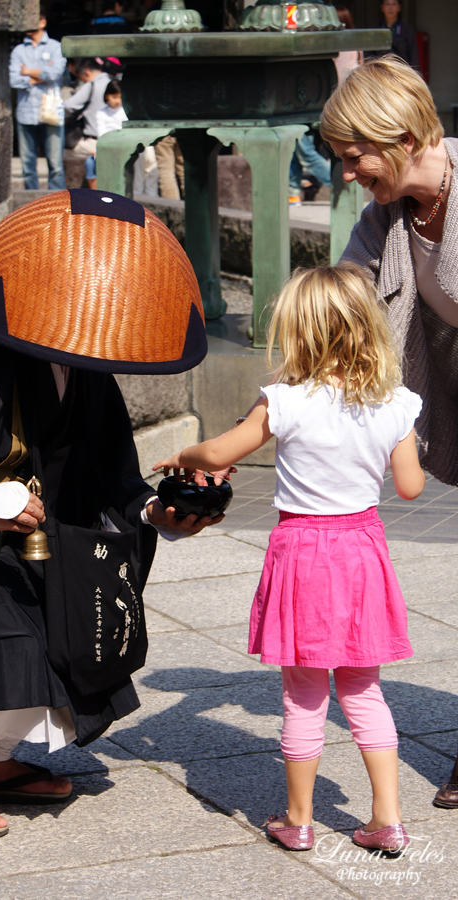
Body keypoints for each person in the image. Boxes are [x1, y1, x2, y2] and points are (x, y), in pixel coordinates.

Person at [0, 190, 216, 840]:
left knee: (73, 633)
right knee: (12, 641)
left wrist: (157, 512)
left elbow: (106, 480)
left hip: (34, 555)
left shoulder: (79, 360)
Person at [153, 263, 425, 853]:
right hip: (362, 550)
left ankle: (297, 820)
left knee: (303, 691)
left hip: (303, 551)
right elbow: (409, 488)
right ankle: (388, 818)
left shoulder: (284, 401)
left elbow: (222, 450)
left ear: (299, 332)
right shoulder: (397, 403)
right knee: (364, 690)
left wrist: (186, 452)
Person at [320, 54, 458, 811]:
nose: (347, 173)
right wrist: (283, 407)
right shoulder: (387, 217)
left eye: (354, 156)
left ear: (400, 135)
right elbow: (343, 307)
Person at [9, 7, 67, 191]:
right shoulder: (18, 50)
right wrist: (43, 73)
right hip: (26, 111)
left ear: (43, 22)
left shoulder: (56, 47)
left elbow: (56, 73)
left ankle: (59, 204)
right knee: (27, 166)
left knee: (56, 166)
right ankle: (30, 205)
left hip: (51, 111)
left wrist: (27, 71)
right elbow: (14, 79)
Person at [84, 81, 158, 196]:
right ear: (106, 95)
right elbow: (102, 134)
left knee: (146, 172)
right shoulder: (101, 113)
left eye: (120, 97)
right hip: (111, 146)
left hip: (132, 145)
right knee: (91, 163)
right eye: (114, 97)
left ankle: (149, 197)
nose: (117, 101)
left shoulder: (126, 110)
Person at [63, 58, 111, 161]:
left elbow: (68, 106)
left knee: (64, 153)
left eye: (82, 79)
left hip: (94, 142)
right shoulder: (113, 82)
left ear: (87, 73)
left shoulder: (92, 85)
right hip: (113, 138)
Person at [366, 0, 419, 70]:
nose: (390, 8)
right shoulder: (375, 30)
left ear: (399, 7)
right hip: (381, 71)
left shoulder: (407, 30)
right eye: (387, 4)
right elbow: (369, 56)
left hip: (401, 71)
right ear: (382, 7)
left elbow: (413, 56)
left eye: (394, 4)